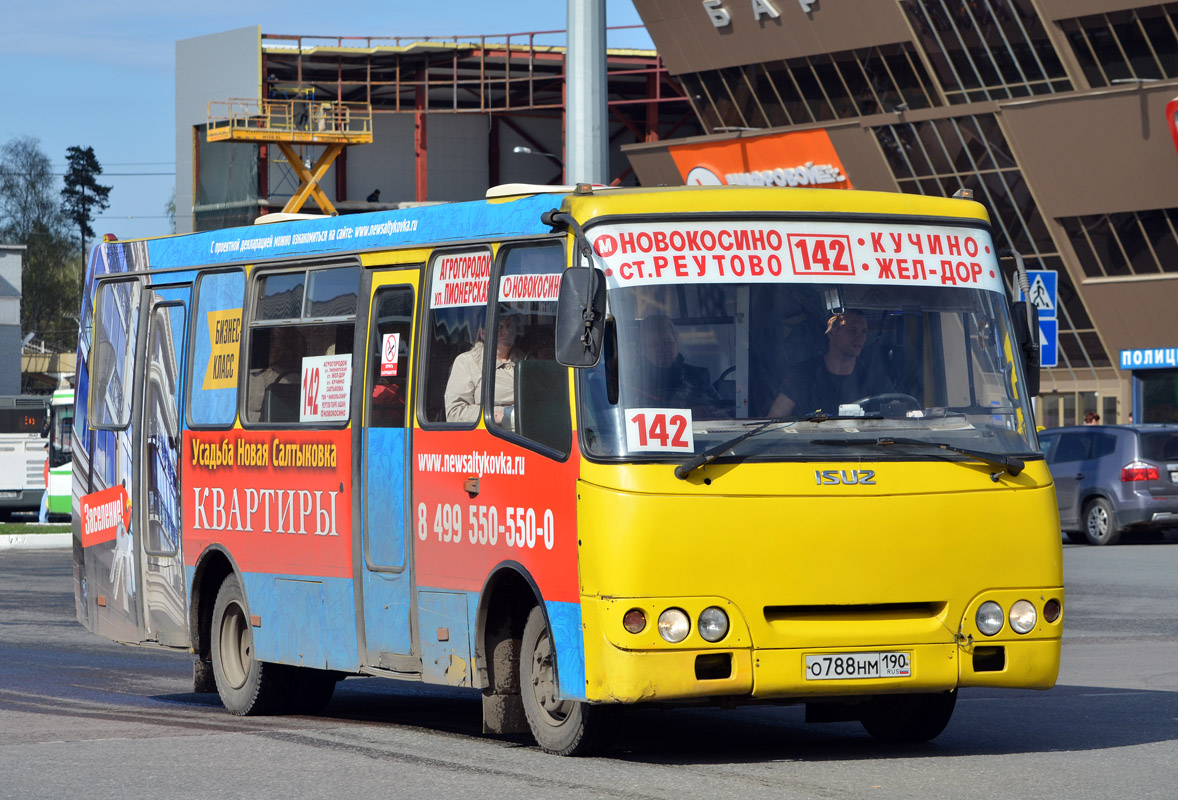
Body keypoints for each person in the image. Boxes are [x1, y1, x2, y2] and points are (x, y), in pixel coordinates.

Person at [767, 309, 893, 417]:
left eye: (864, 332)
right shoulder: (802, 375)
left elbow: (897, 413)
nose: (860, 337)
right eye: (852, 330)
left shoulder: (874, 378)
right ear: (832, 332)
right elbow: (774, 420)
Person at [445, 314, 523, 425]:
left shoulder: (526, 361)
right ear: (483, 334)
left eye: (510, 326)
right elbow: (455, 413)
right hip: (490, 432)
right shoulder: (467, 362)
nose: (506, 331)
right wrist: (499, 415)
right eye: (500, 326)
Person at [636, 314, 723, 411]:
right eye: (655, 344)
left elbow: (720, 411)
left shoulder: (699, 377)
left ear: (677, 343)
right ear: (643, 349)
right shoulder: (633, 382)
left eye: (668, 342)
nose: (663, 349)